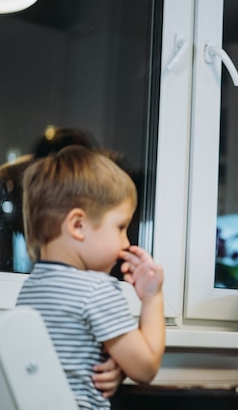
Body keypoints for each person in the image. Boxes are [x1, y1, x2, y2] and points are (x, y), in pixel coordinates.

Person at [15, 145, 165, 409]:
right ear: (78, 225)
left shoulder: (31, 288)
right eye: (120, 227)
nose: (126, 242)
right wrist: (153, 296)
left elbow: (68, 363)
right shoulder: (97, 289)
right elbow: (146, 368)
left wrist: (117, 365)